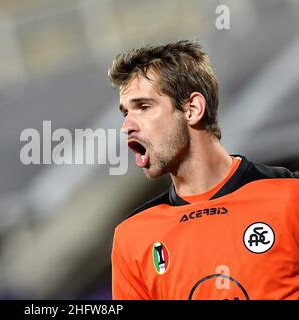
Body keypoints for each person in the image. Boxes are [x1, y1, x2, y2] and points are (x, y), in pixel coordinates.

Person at [108, 40, 299, 300]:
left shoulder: (290, 199)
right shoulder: (132, 237)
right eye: (125, 113)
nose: (127, 126)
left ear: (192, 109)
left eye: (143, 107)